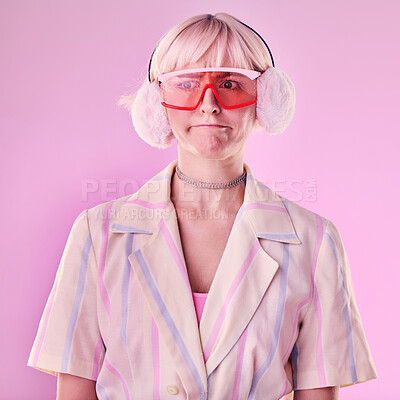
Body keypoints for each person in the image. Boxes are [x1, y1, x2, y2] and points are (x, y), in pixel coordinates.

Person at [28, 12, 377, 400]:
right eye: (187, 84)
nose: (209, 104)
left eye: (230, 84)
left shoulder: (315, 241)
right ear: (157, 102)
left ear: (268, 97)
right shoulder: (98, 233)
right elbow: (74, 390)